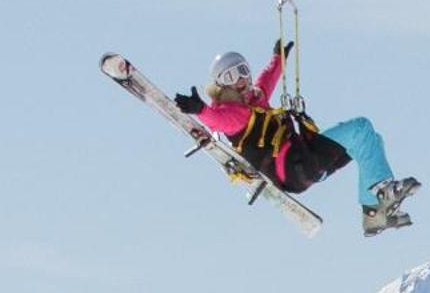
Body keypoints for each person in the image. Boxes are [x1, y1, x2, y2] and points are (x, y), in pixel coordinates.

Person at [173, 43, 413, 223]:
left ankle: (373, 212)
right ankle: (381, 193)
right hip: (294, 164)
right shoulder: (234, 113)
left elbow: (267, 79)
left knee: (369, 141)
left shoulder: (255, 101)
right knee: (360, 128)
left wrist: (278, 59)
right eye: (232, 75)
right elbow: (218, 121)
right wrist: (200, 109)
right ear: (221, 85)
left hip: (302, 167)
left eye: (244, 70)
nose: (243, 79)